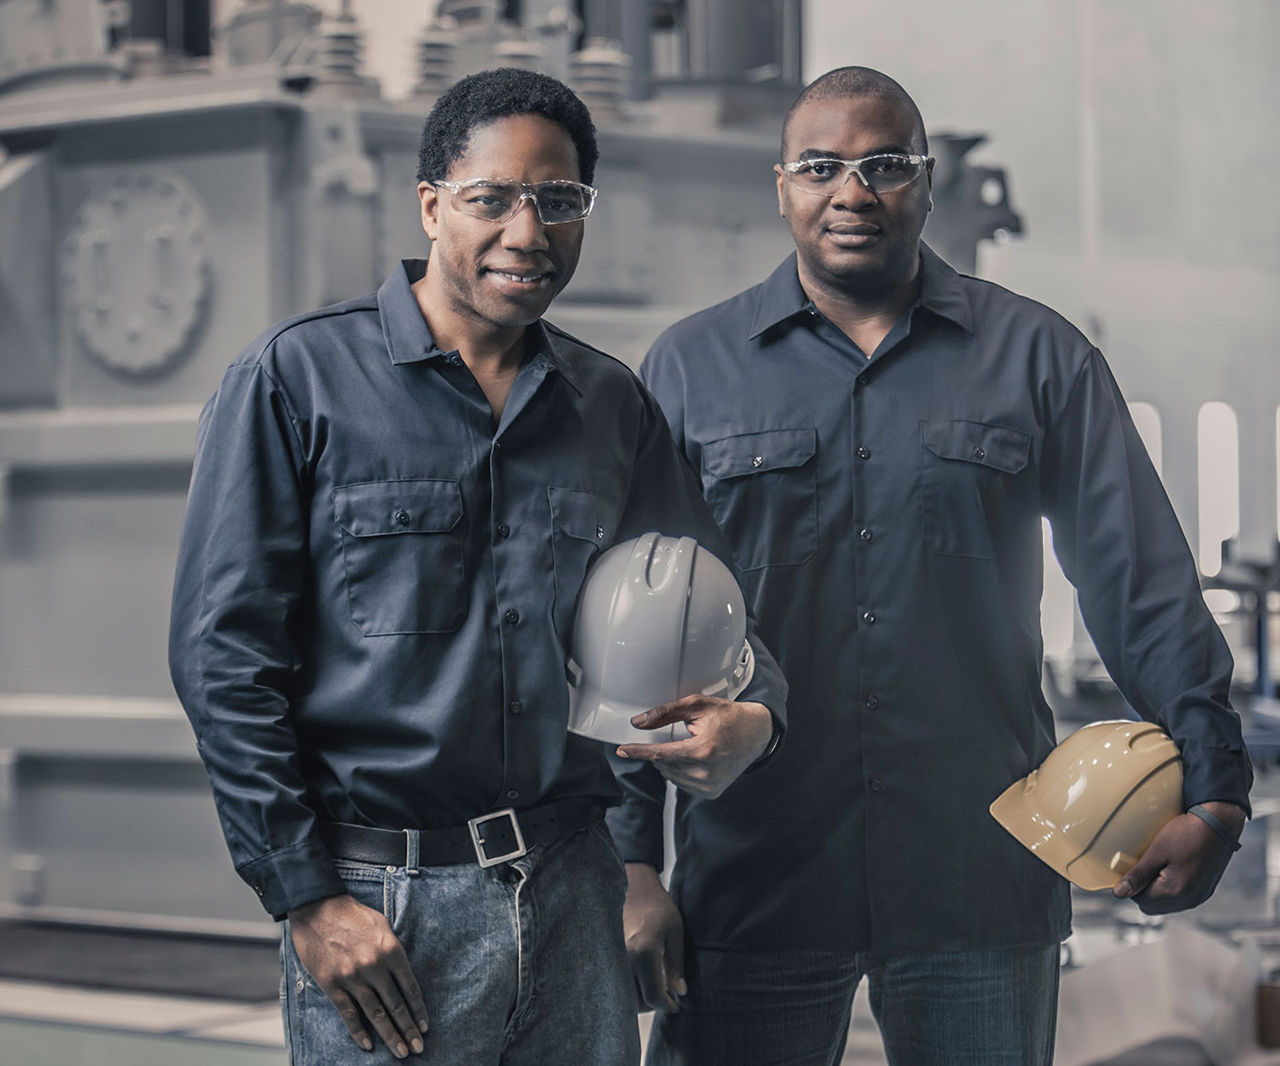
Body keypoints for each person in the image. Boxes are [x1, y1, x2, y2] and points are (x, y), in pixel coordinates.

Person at [608, 66, 1253, 1066]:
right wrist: (630, 864)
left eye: (884, 165)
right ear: (780, 186)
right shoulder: (690, 369)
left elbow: (1141, 588)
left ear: (926, 182)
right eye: (819, 167)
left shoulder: (1038, 358)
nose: (851, 192)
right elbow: (636, 637)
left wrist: (1215, 790)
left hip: (977, 882)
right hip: (753, 878)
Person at [168, 67, 784, 1066]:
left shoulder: (609, 406)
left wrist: (754, 716)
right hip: (385, 910)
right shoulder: (295, 381)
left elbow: (704, 607)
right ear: (430, 205)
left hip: (572, 892)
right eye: (491, 198)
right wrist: (307, 898)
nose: (526, 232)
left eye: (559, 200)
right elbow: (222, 661)